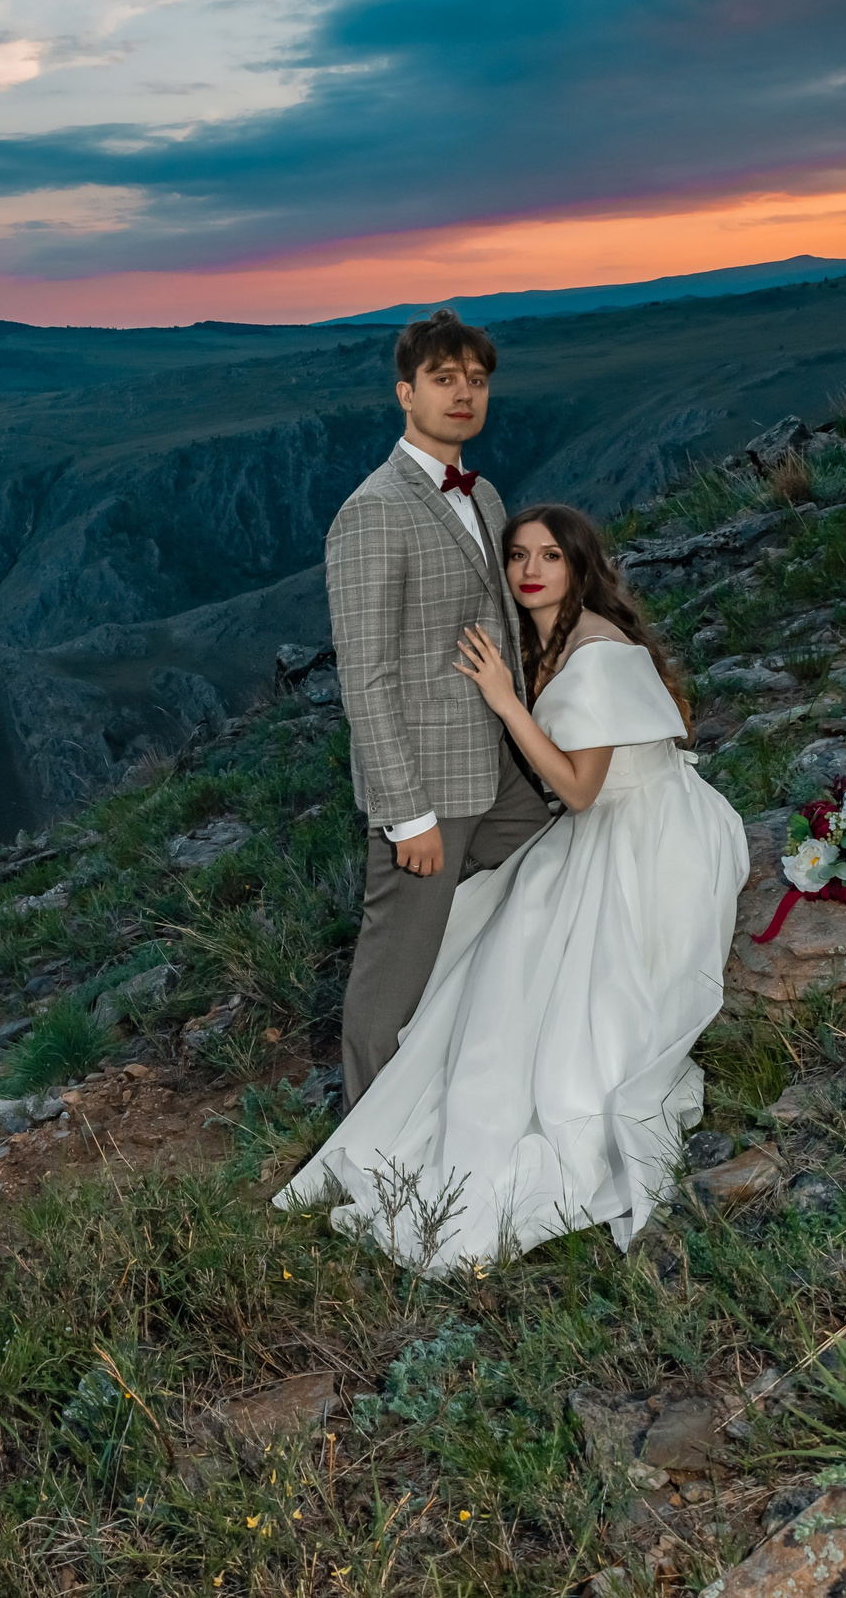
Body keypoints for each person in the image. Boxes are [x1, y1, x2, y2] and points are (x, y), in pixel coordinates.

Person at [281, 504, 748, 1275]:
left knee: (544, 1002)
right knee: (491, 959)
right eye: (517, 557)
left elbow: (582, 790)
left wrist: (503, 700)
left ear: (580, 568)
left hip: (645, 835)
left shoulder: (593, 651)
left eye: (551, 558)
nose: (531, 571)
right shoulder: (545, 637)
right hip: (605, 824)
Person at [325, 309, 556, 1107]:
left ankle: (491, 1077)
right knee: (394, 975)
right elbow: (365, 676)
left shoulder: (485, 495)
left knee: (562, 875)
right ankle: (367, 1155)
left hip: (500, 767)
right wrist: (405, 814)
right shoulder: (374, 510)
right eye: (443, 379)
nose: (463, 395)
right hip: (427, 789)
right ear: (405, 393)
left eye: (477, 380)